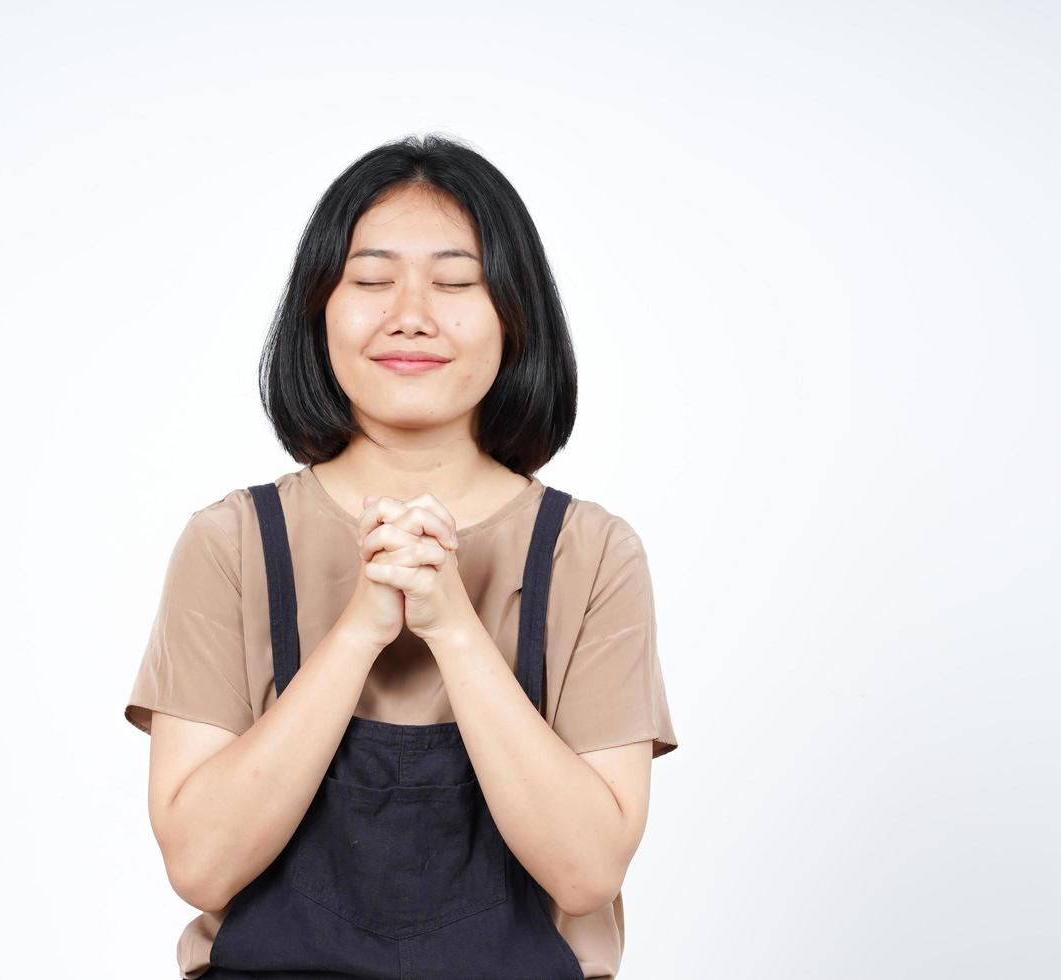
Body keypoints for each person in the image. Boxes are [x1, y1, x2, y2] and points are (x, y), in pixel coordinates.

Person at [124, 133, 679, 979]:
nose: (411, 313)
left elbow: (587, 870)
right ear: (320, 311)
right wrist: (359, 629)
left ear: (513, 316)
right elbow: (199, 866)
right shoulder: (232, 543)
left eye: (456, 282)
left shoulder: (590, 553)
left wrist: (453, 626)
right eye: (372, 281)